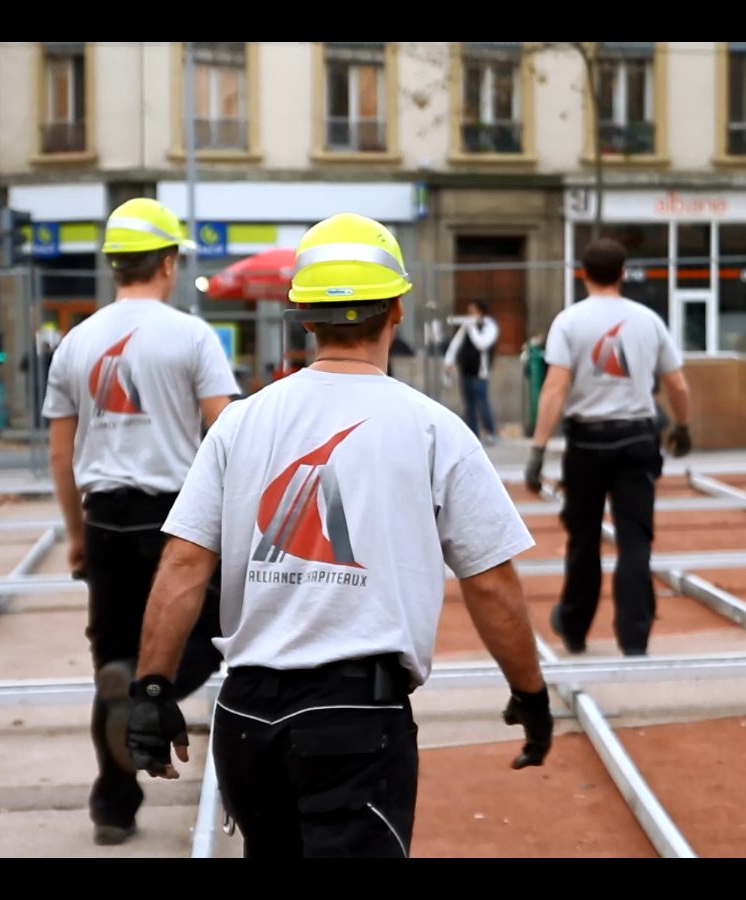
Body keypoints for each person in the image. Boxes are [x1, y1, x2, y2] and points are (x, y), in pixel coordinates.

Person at [123, 212, 553, 859]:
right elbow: (490, 583)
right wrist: (530, 692)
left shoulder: (243, 423)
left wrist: (152, 690)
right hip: (355, 722)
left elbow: (184, 562)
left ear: (302, 314)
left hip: (246, 718)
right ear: (397, 311)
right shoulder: (432, 429)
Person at [41, 197, 241, 846]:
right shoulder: (190, 336)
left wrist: (75, 535)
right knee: (210, 630)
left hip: (104, 519)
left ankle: (113, 808)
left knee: (115, 659)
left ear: (114, 265)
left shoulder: (76, 339)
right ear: (167, 260)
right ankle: (156, 694)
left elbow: (60, 452)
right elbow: (227, 427)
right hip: (172, 518)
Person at [524, 238, 692, 657]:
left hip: (586, 442)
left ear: (582, 273)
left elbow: (556, 386)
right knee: (635, 539)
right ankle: (634, 636)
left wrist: (538, 449)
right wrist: (684, 425)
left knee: (584, 538)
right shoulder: (648, 320)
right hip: (637, 437)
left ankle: (575, 626)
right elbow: (676, 382)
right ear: (623, 273)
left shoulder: (569, 321)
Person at [444, 300, 500, 443]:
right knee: (469, 406)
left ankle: (490, 432)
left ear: (480, 312)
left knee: (482, 403)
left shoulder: (490, 326)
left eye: (473, 312)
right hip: (466, 370)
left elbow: (481, 344)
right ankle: (473, 434)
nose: (470, 315)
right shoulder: (467, 326)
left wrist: (473, 327)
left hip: (480, 373)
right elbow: (456, 343)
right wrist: (448, 361)